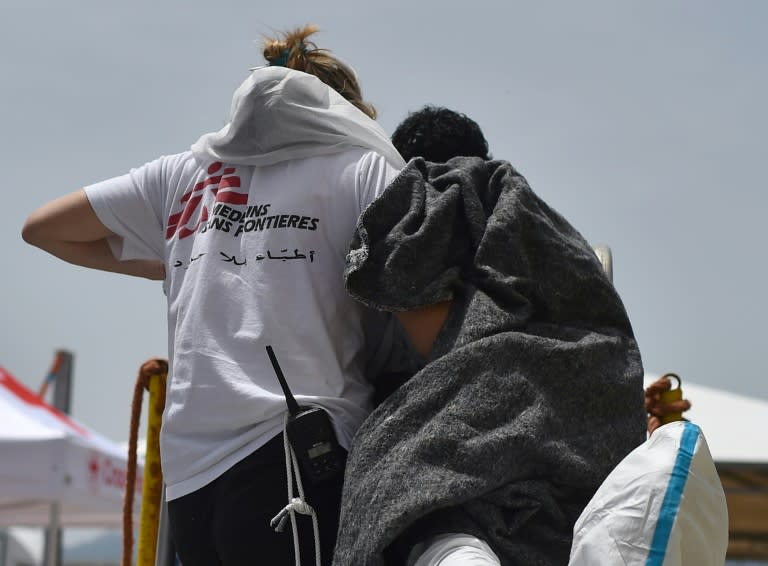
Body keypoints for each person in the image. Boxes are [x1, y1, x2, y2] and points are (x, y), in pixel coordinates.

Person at [22, 25, 404, 566]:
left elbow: (43, 228)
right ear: (341, 112)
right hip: (293, 455)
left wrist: (188, 262)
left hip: (190, 474)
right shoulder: (358, 168)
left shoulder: (184, 173)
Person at [331, 105, 648, 566]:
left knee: (398, 482)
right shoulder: (544, 221)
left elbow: (433, 344)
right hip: (591, 413)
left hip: (495, 407)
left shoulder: (429, 204)